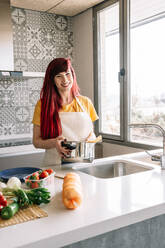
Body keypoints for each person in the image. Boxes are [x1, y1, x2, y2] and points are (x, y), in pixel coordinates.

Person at [32, 58, 99, 165]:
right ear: (52, 80)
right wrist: (54, 143)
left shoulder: (86, 102)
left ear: (73, 75)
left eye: (67, 74)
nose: (65, 80)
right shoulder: (43, 105)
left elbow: (91, 133)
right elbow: (36, 141)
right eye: (59, 76)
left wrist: (91, 139)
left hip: (84, 165)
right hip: (54, 165)